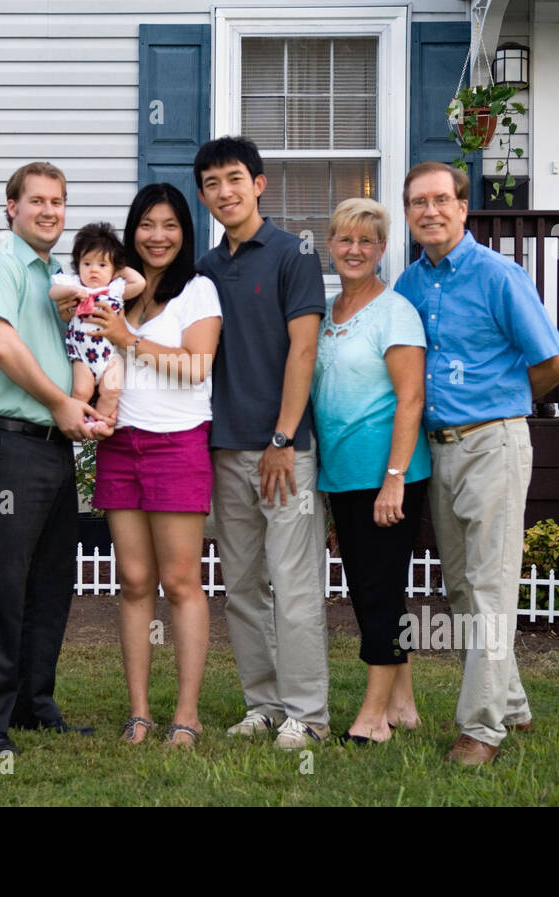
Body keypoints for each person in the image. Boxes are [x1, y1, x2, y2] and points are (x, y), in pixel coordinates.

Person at [394, 162, 559, 766]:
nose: (430, 212)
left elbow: (554, 362)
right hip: (437, 450)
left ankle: (481, 728)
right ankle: (514, 702)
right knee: (464, 588)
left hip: (492, 444)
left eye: (442, 200)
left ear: (463, 208)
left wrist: (504, 399)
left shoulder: (501, 276)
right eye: (418, 203)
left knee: (492, 588)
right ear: (409, 213)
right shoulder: (408, 286)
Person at [0, 161, 106, 755]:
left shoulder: (56, 282)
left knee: (50, 583)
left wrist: (84, 410)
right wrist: (61, 404)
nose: (50, 210)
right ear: (11, 208)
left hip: (53, 446)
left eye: (59, 201)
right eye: (38, 200)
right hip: (9, 443)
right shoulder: (1, 266)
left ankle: (32, 704)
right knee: (1, 582)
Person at [193, 136, 330, 750]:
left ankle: (310, 714)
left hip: (285, 451)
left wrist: (282, 435)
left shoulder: (292, 254)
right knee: (242, 586)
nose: (225, 192)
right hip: (226, 449)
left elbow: (305, 349)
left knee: (294, 585)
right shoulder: (205, 269)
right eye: (213, 184)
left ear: (259, 184)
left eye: (234, 179)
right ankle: (265, 704)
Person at [85, 184, 222, 747]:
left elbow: (194, 367)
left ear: (184, 232)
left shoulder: (199, 290)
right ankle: (139, 712)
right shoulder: (116, 291)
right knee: (136, 581)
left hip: (177, 442)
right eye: (146, 224)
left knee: (181, 580)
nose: (157, 236)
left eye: (169, 225)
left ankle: (185, 715)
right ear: (132, 231)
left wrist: (127, 337)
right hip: (121, 444)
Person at [311, 198, 432, 745]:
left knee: (379, 590)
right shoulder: (329, 313)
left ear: (382, 249)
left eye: (367, 241)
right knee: (368, 588)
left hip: (388, 475)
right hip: (342, 476)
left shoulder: (396, 311)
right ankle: (403, 704)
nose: (354, 250)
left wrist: (394, 477)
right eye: (344, 239)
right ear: (329, 246)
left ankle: (373, 716)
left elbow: (410, 399)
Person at [48, 222, 146, 426]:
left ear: (113, 269)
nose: (94, 270)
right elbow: (52, 292)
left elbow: (140, 283)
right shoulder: (74, 284)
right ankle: (80, 424)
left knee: (112, 390)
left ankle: (99, 421)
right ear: (78, 264)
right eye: (87, 263)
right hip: (83, 356)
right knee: (81, 391)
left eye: (102, 265)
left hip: (110, 355)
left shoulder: (114, 289)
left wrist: (120, 270)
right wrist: (71, 292)